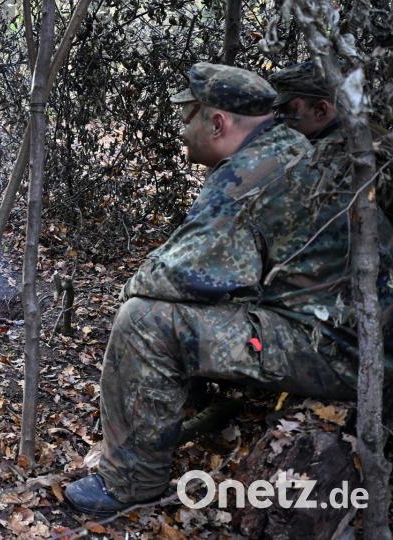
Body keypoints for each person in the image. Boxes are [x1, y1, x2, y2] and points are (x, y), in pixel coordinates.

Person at [62, 62, 393, 516]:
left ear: (217, 123)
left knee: (142, 320)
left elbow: (181, 274)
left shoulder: (248, 174)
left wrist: (130, 289)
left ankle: (130, 483)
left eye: (188, 118)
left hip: (342, 352)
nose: (182, 131)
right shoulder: (290, 145)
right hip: (356, 336)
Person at [270, 60, 393, 220]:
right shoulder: (367, 132)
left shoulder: (343, 155)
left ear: (321, 110)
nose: (284, 121)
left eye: (289, 111)